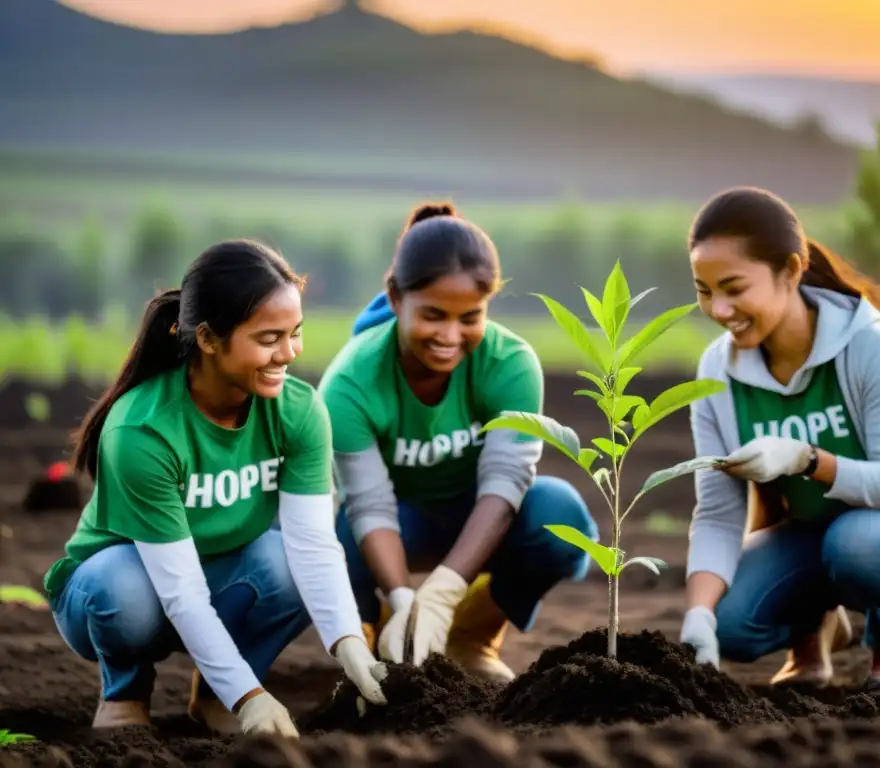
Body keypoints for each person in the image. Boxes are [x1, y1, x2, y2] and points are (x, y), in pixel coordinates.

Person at [43, 240, 387, 737]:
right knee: (125, 591)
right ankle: (125, 690)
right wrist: (251, 700)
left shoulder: (298, 410)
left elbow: (313, 545)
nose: (289, 353)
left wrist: (348, 643)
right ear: (207, 338)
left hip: (222, 570)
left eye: (296, 333)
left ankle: (214, 694)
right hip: (117, 587)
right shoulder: (144, 430)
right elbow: (179, 589)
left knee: (288, 559)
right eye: (270, 337)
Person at [678, 187, 880, 698]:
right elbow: (719, 512)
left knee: (860, 543)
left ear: (790, 270)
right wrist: (698, 613)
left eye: (734, 288)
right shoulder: (717, 372)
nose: (719, 309)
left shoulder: (873, 348)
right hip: (817, 534)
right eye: (703, 290)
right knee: (733, 622)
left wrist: (807, 459)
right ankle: (813, 640)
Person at [318, 202, 598, 682]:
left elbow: (506, 481)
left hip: (482, 517)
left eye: (470, 317)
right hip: (402, 525)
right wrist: (405, 597)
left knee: (560, 516)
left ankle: (472, 637)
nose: (450, 336)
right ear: (394, 297)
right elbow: (370, 505)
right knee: (340, 539)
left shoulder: (509, 364)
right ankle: (374, 645)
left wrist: (445, 590)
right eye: (432, 315)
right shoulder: (350, 382)